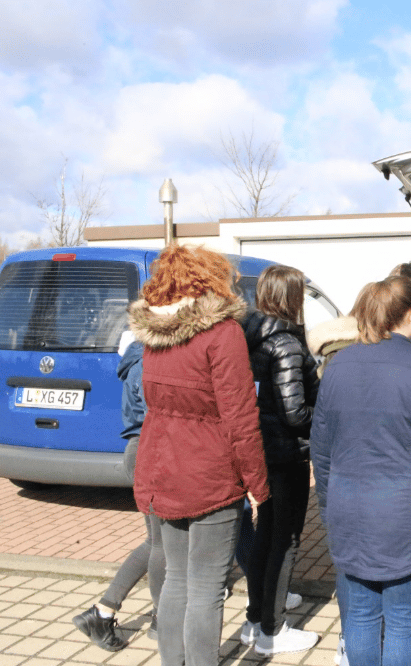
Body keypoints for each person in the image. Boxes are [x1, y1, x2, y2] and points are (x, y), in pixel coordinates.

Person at [311, 275, 411, 666]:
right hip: (408, 518)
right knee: (402, 623)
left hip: (351, 511)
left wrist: (329, 505)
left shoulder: (337, 365)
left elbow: (321, 449)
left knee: (360, 619)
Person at [128, 244, 269, 666]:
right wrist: (258, 486)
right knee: (206, 587)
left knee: (177, 581)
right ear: (210, 281)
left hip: (163, 470)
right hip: (209, 475)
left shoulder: (156, 335)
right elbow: (241, 418)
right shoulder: (221, 334)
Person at [238, 265, 320, 655]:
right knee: (284, 539)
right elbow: (295, 413)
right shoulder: (285, 343)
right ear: (293, 298)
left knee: (264, 534)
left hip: (259, 450)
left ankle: (255, 618)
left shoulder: (249, 337)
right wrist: (324, 418)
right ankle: (272, 630)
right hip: (286, 455)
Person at [73, 331, 164, 651]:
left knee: (157, 542)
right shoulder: (146, 362)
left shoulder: (137, 358)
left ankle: (104, 611)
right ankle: (156, 618)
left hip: (142, 451)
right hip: (149, 453)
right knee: (161, 544)